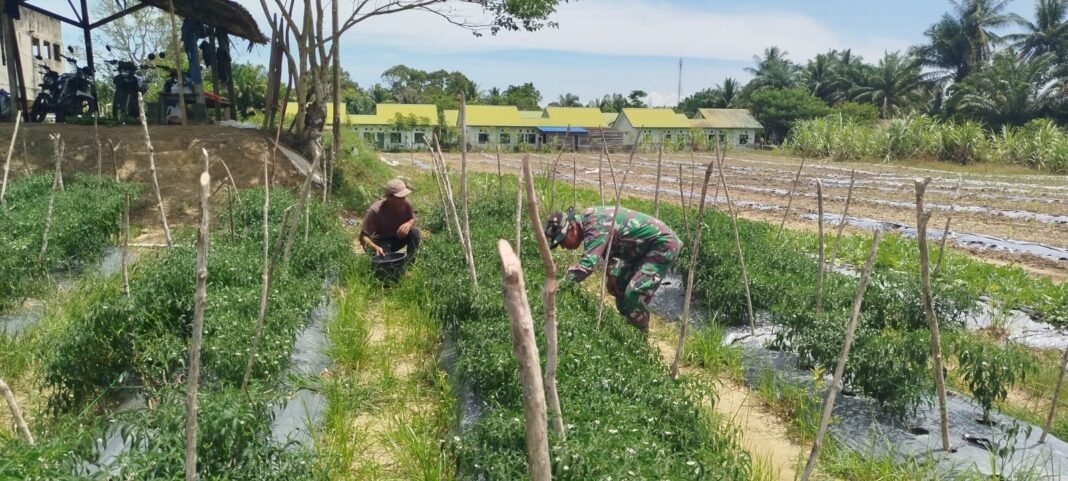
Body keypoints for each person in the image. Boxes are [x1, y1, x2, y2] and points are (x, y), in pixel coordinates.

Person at [544, 206, 681, 331]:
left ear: (572, 228)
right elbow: (613, 247)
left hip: (662, 245)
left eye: (562, 240)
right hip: (638, 250)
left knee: (633, 293)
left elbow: (587, 266)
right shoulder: (589, 223)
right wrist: (612, 274)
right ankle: (628, 330)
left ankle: (640, 334)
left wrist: (558, 287)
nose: (563, 246)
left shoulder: (594, 223)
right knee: (620, 289)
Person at [360, 179, 420, 262]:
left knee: (415, 232)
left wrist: (409, 223)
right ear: (389, 197)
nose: (403, 199)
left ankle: (409, 262)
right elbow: (363, 237)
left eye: (404, 196)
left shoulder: (405, 203)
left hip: (397, 238)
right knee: (389, 263)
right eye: (400, 197)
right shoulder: (375, 211)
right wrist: (375, 247)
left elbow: (412, 219)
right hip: (380, 243)